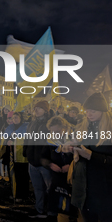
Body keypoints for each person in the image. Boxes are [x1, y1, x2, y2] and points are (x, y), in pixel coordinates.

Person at [70, 92, 112, 222]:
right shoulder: (84, 128)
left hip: (105, 190)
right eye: (87, 111)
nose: (89, 114)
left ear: (102, 111)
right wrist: (72, 149)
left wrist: (91, 156)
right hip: (84, 188)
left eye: (93, 111)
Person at [23, 100, 53, 219]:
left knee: (50, 188)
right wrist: (26, 151)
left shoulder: (49, 123)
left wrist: (47, 158)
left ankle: (51, 212)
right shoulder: (32, 122)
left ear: (45, 110)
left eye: (39, 108)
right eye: (35, 108)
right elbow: (27, 137)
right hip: (32, 161)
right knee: (38, 188)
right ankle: (39, 210)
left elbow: (52, 142)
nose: (36, 110)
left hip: (44, 163)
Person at [41, 116, 74, 221]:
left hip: (71, 178)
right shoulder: (49, 141)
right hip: (55, 178)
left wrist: (71, 166)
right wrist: (50, 164)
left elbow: (81, 157)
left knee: (70, 204)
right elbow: (43, 157)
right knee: (54, 203)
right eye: (52, 131)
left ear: (64, 128)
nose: (55, 134)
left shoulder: (73, 139)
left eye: (58, 131)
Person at [3, 112, 29, 202]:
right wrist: (7, 141)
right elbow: (5, 138)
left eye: (17, 117)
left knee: (22, 175)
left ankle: (22, 195)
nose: (15, 119)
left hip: (21, 155)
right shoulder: (9, 128)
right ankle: (14, 192)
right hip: (11, 155)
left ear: (21, 118)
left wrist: (13, 141)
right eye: (13, 118)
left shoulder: (25, 127)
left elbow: (25, 140)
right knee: (13, 175)